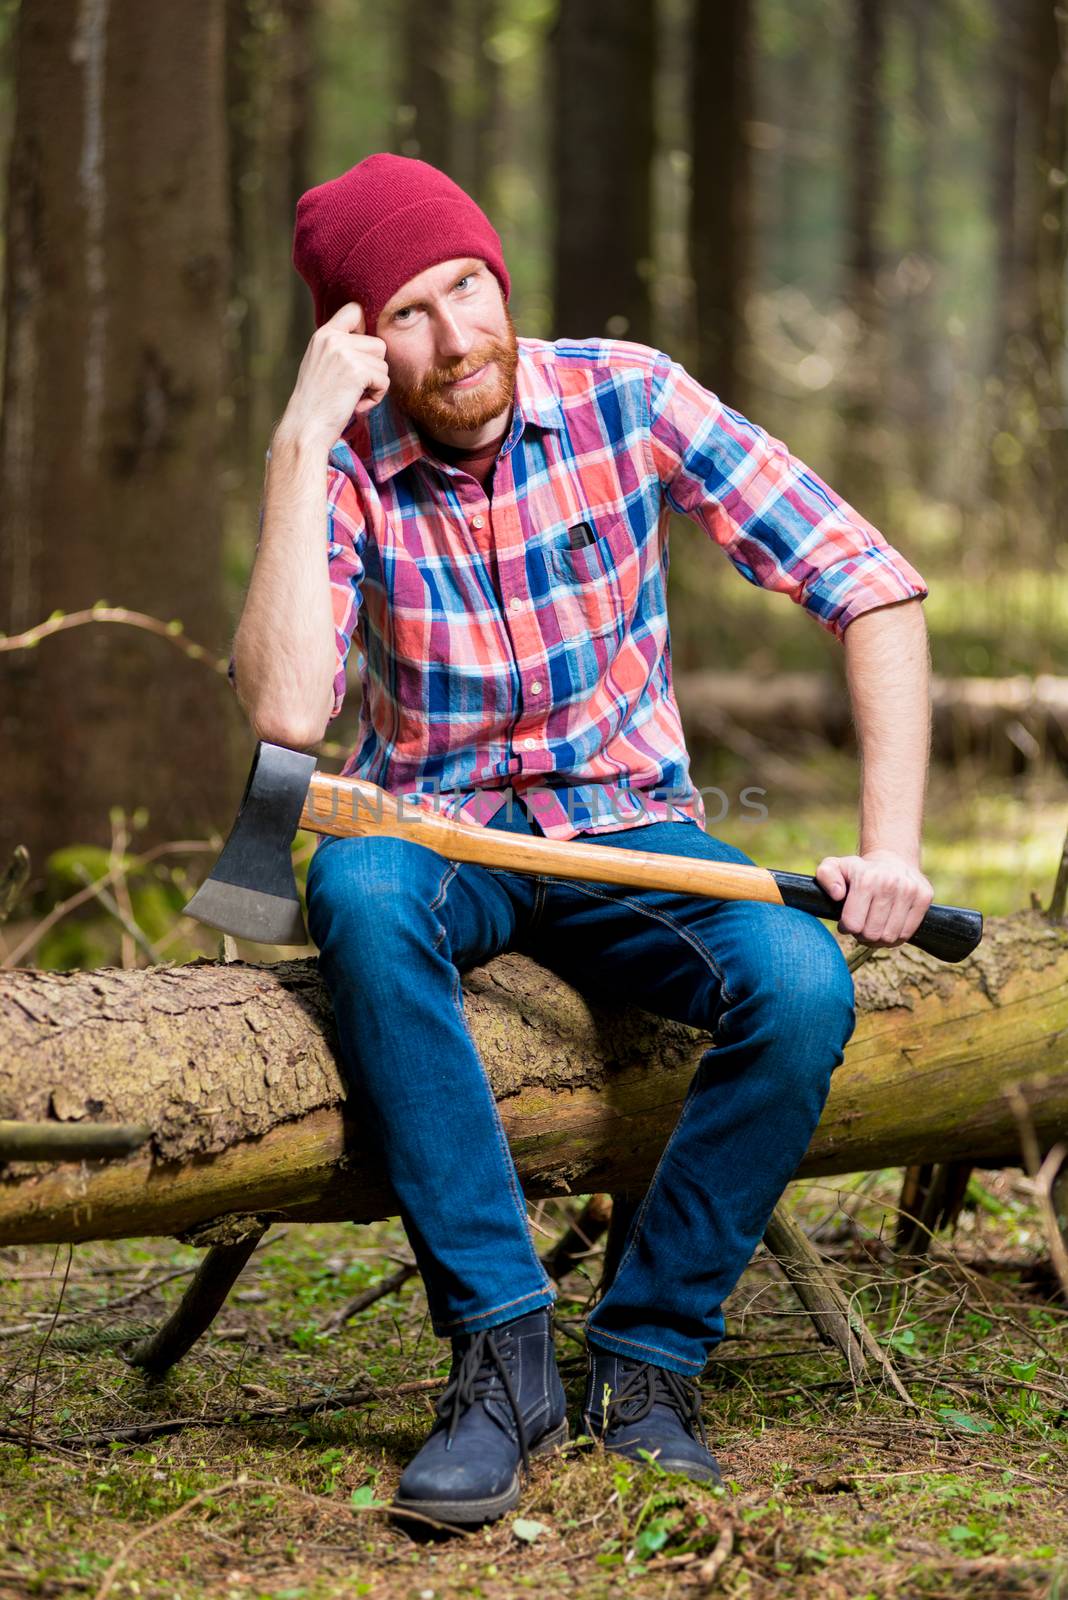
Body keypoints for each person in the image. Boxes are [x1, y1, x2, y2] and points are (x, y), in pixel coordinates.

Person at [229, 153, 934, 1528]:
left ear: (503, 280)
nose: (456, 336)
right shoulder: (354, 463)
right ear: (359, 345)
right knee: (362, 893)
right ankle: (503, 1355)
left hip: (637, 838)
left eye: (467, 289)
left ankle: (650, 1362)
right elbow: (284, 711)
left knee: (799, 984)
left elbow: (871, 584)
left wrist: (891, 844)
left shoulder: (629, 395)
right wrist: (299, 444)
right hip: (431, 831)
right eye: (408, 316)